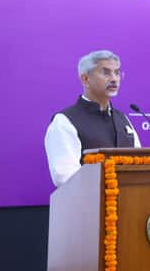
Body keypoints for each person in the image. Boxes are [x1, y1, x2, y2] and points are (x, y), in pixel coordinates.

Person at [44, 50, 140, 187]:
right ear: (85, 79)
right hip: (88, 205)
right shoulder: (65, 121)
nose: (114, 79)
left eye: (117, 73)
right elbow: (64, 176)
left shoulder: (122, 119)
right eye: (106, 72)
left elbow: (139, 165)